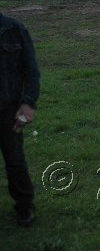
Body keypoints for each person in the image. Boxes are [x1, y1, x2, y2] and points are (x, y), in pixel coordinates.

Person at [0, 12, 41, 227]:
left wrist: (28, 104)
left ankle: (24, 207)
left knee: (15, 160)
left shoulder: (14, 29)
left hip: (8, 110)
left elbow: (31, 71)